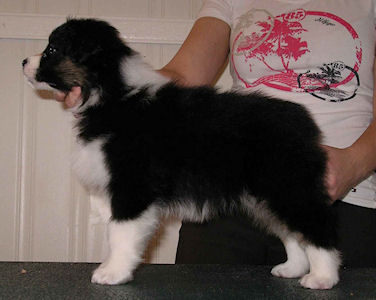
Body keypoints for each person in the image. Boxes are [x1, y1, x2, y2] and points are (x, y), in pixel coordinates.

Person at [56, 0, 376, 267]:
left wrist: (356, 163)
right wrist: (108, 84)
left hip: (345, 194)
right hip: (228, 189)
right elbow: (181, 77)